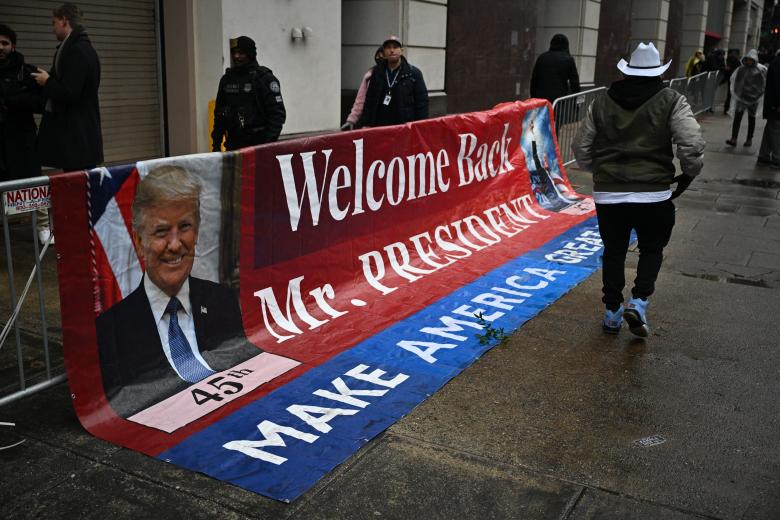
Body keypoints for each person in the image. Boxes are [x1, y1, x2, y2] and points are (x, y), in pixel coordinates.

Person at [96, 166, 261, 418]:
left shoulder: (223, 300)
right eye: (161, 232)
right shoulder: (111, 328)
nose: (175, 245)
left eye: (184, 227)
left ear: (197, 230)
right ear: (139, 242)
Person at [573, 42, 704, 338]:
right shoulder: (671, 100)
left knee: (614, 251)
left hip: (610, 195)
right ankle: (640, 302)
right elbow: (691, 144)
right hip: (653, 193)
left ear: (628, 71)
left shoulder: (602, 101)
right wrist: (688, 175)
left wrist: (601, 172)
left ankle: (611, 312)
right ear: (658, 71)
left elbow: (581, 147)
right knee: (652, 249)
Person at [32, 3, 103, 171]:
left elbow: (70, 92)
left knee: (79, 190)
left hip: (78, 140)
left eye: (54, 22)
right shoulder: (76, 48)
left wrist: (47, 81)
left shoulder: (77, 51)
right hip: (77, 141)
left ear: (64, 20)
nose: (53, 28)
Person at [211, 36, 286, 151]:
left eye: (241, 53)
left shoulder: (264, 78)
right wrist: (216, 144)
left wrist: (267, 145)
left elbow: (277, 115)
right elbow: (220, 114)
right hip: (233, 144)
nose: (236, 56)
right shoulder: (227, 79)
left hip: (259, 144)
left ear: (250, 54)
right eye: (234, 53)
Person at [0, 24, 43, 183]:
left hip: (23, 147)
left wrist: (18, 100)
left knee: (30, 195)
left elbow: (43, 103)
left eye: (5, 43)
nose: (1, 47)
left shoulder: (26, 72)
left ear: (13, 47)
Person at [359, 36, 428, 128]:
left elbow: (422, 103)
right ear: (383, 52)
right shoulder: (377, 72)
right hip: (379, 125)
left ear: (401, 50)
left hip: (404, 126)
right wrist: (366, 123)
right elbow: (370, 100)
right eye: (388, 48)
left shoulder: (413, 73)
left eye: (395, 47)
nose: (392, 50)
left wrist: (420, 126)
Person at [726, 49, 766, 148]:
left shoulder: (759, 70)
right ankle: (734, 138)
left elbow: (763, 84)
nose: (749, 61)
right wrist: (736, 94)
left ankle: (749, 139)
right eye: (748, 59)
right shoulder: (741, 69)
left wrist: (758, 95)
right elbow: (736, 82)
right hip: (742, 97)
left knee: (751, 119)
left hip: (754, 99)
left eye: (751, 60)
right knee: (737, 118)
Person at [341, 46, 384, 131]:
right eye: (378, 55)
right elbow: (360, 99)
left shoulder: (400, 74)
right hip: (371, 124)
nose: (380, 57)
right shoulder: (370, 74)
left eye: (383, 54)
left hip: (393, 125)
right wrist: (351, 120)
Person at [530, 34, 580, 103]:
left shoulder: (542, 57)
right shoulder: (568, 59)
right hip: (558, 99)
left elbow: (534, 79)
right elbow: (574, 82)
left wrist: (533, 97)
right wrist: (576, 98)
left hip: (541, 98)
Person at [758, 50, 780, 168]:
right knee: (776, 131)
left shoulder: (776, 62)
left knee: (770, 130)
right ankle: (777, 157)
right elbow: (778, 85)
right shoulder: (778, 63)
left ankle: (764, 155)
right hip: (775, 105)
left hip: (772, 105)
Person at [723, 49, 741, 115]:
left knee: (730, 95)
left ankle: (727, 108)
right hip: (734, 80)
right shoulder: (736, 61)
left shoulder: (730, 60)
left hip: (731, 79)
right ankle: (728, 108)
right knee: (731, 95)